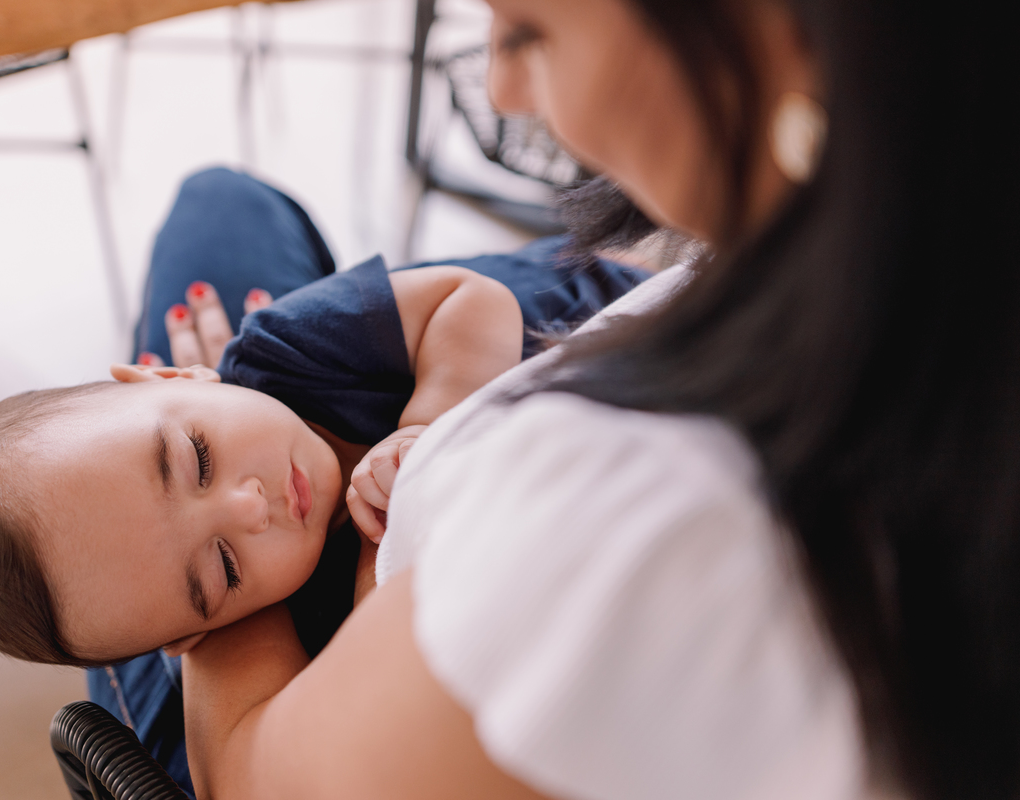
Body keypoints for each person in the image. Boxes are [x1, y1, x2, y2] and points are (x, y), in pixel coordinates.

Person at [172, 1, 1020, 799]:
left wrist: (200, 576)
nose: (501, 90)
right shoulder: (921, 257)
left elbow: (251, 776)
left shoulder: (638, 512)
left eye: (528, 34)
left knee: (217, 219)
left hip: (324, 634)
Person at [0, 167, 646, 795]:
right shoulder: (301, 629)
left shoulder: (281, 347)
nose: (248, 507)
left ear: (166, 370)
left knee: (220, 195)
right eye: (220, 568)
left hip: (574, 308)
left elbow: (472, 299)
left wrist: (427, 429)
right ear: (193, 638)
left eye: (196, 458)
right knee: (221, 203)